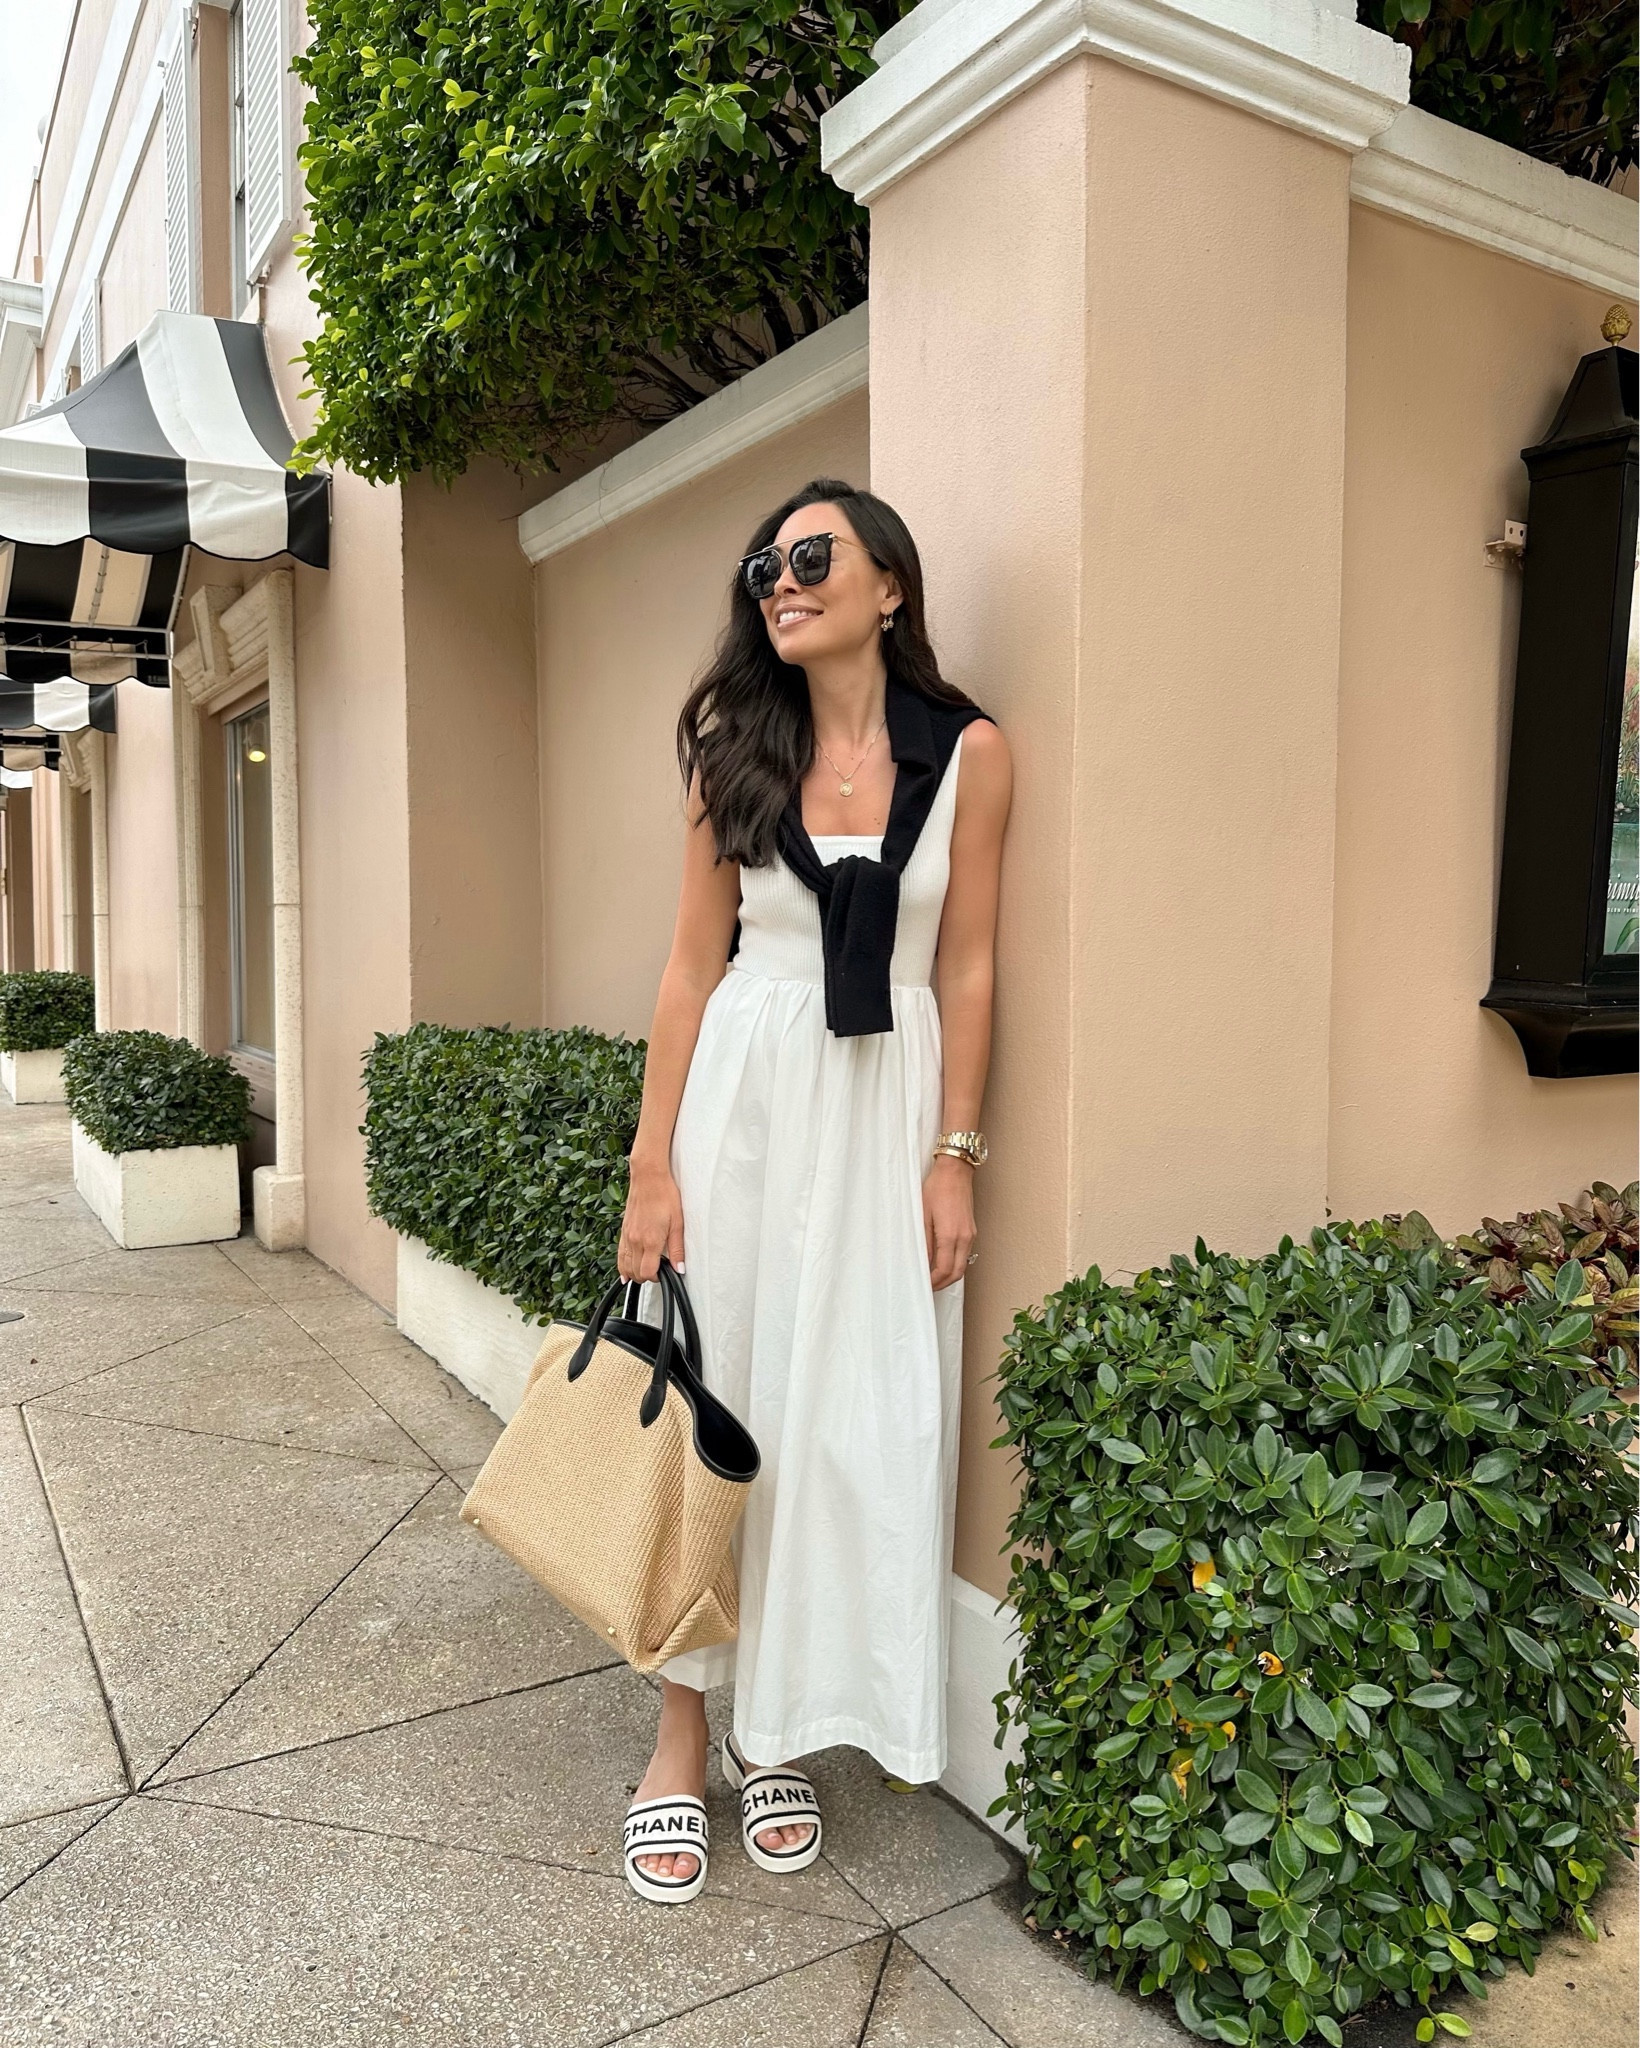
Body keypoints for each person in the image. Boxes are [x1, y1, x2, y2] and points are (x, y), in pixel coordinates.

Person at [615, 477, 1012, 1904]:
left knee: (846, 1422)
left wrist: (956, 1154)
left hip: (886, 1114)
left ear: (889, 585)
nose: (781, 581)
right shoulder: (733, 750)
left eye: (811, 556)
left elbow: (968, 964)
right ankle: (681, 1732)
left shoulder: (970, 756)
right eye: (763, 568)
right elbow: (689, 967)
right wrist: (651, 1164)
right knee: (718, 1409)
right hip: (746, 1107)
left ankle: (771, 1732)